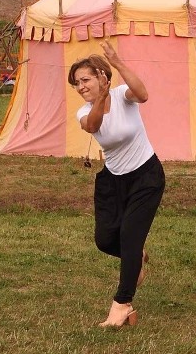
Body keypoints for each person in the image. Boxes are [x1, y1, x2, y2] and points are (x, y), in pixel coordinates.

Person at [69, 41, 165, 327]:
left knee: (130, 236)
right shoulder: (83, 112)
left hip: (146, 176)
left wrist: (118, 64)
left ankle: (122, 305)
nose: (80, 86)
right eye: (76, 83)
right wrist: (98, 96)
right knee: (105, 240)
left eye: (85, 79)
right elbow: (94, 125)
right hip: (112, 180)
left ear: (101, 76)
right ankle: (137, 255)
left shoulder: (123, 95)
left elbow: (144, 94)